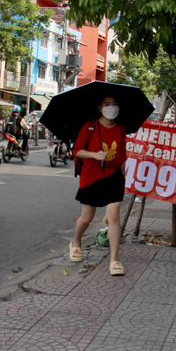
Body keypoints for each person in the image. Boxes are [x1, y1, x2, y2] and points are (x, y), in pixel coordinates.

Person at [69, 95, 127, 276]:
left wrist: (125, 177)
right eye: (107, 104)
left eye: (115, 104)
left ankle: (114, 260)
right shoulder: (90, 126)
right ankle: (76, 241)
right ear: (100, 108)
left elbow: (122, 156)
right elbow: (77, 150)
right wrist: (94, 155)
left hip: (113, 177)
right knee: (87, 217)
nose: (111, 107)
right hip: (91, 176)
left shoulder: (120, 129)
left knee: (114, 215)